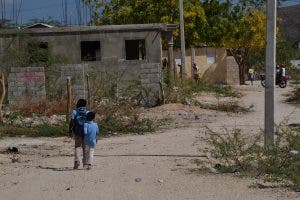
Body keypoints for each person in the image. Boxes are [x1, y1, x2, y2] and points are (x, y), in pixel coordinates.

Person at [69, 99, 89, 169]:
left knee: (77, 146)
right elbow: (89, 123)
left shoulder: (74, 111)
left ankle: (77, 161)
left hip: (77, 132)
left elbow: (71, 122)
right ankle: (85, 163)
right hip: (85, 132)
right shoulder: (87, 112)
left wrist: (70, 130)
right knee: (85, 147)